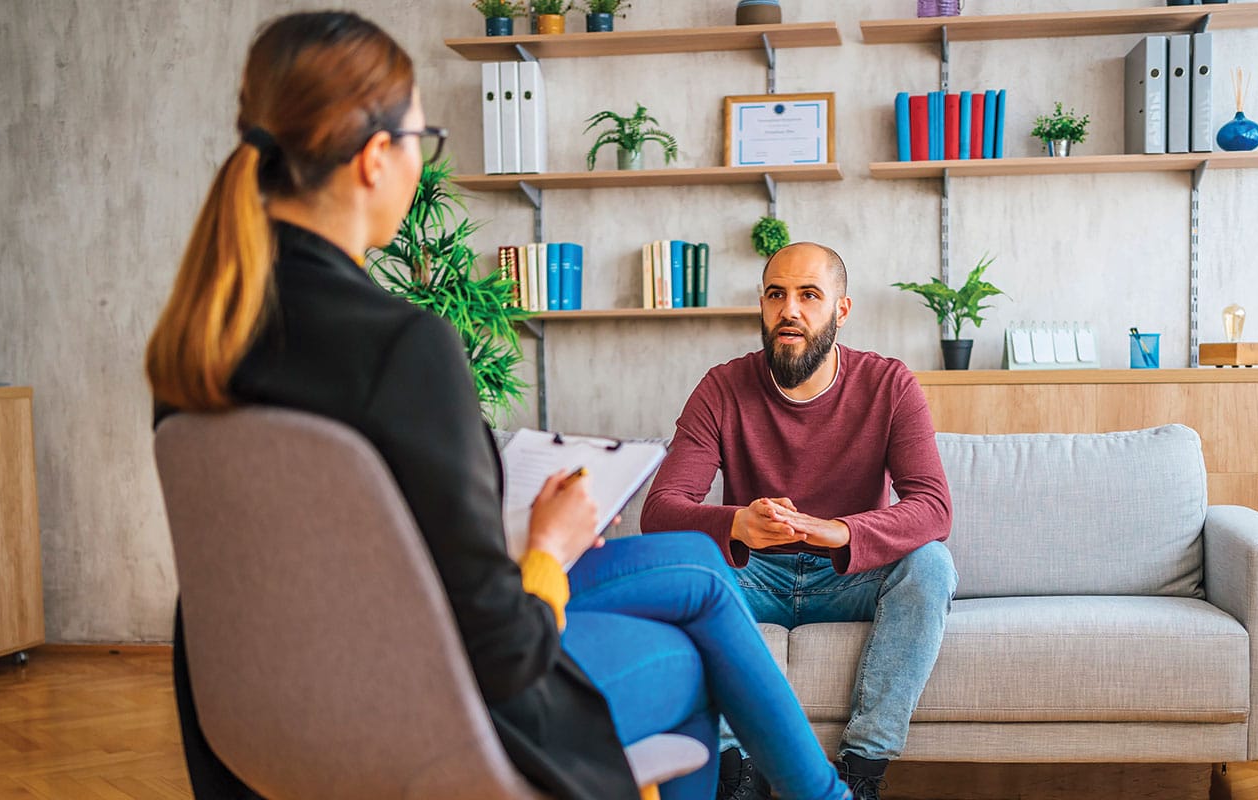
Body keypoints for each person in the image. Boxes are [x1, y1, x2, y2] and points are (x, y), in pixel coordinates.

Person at [144, 12, 851, 800]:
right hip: (424, 707)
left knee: (697, 568)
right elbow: (499, 646)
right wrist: (544, 548)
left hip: (264, 711)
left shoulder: (201, 338)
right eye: (424, 139)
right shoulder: (401, 346)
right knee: (691, 659)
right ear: (377, 157)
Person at [639, 243, 958, 800]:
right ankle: (735, 772)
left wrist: (846, 531)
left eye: (809, 295)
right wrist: (737, 523)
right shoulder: (721, 387)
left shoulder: (889, 385)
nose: (790, 309)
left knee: (931, 565)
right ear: (762, 306)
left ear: (841, 309)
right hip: (753, 576)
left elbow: (933, 506)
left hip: (847, 578)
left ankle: (862, 770)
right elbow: (661, 508)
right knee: (678, 571)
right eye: (776, 294)